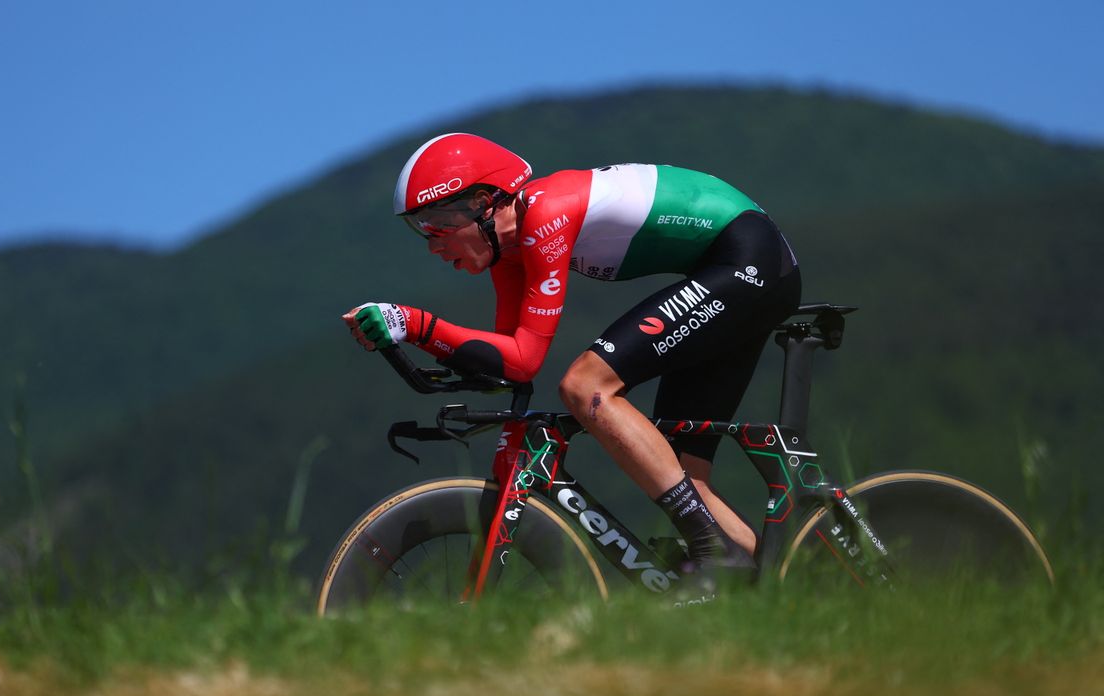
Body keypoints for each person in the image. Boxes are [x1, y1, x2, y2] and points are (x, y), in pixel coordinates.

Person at [342, 132, 801, 590]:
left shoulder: (545, 214)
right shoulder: (510, 252)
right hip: (732, 269)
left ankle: (713, 551)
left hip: (750, 260)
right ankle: (792, 593)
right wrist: (424, 349)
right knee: (682, 478)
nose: (432, 244)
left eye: (437, 223)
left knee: (587, 386)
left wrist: (416, 324)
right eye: (420, 228)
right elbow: (508, 357)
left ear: (484, 204)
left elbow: (525, 358)